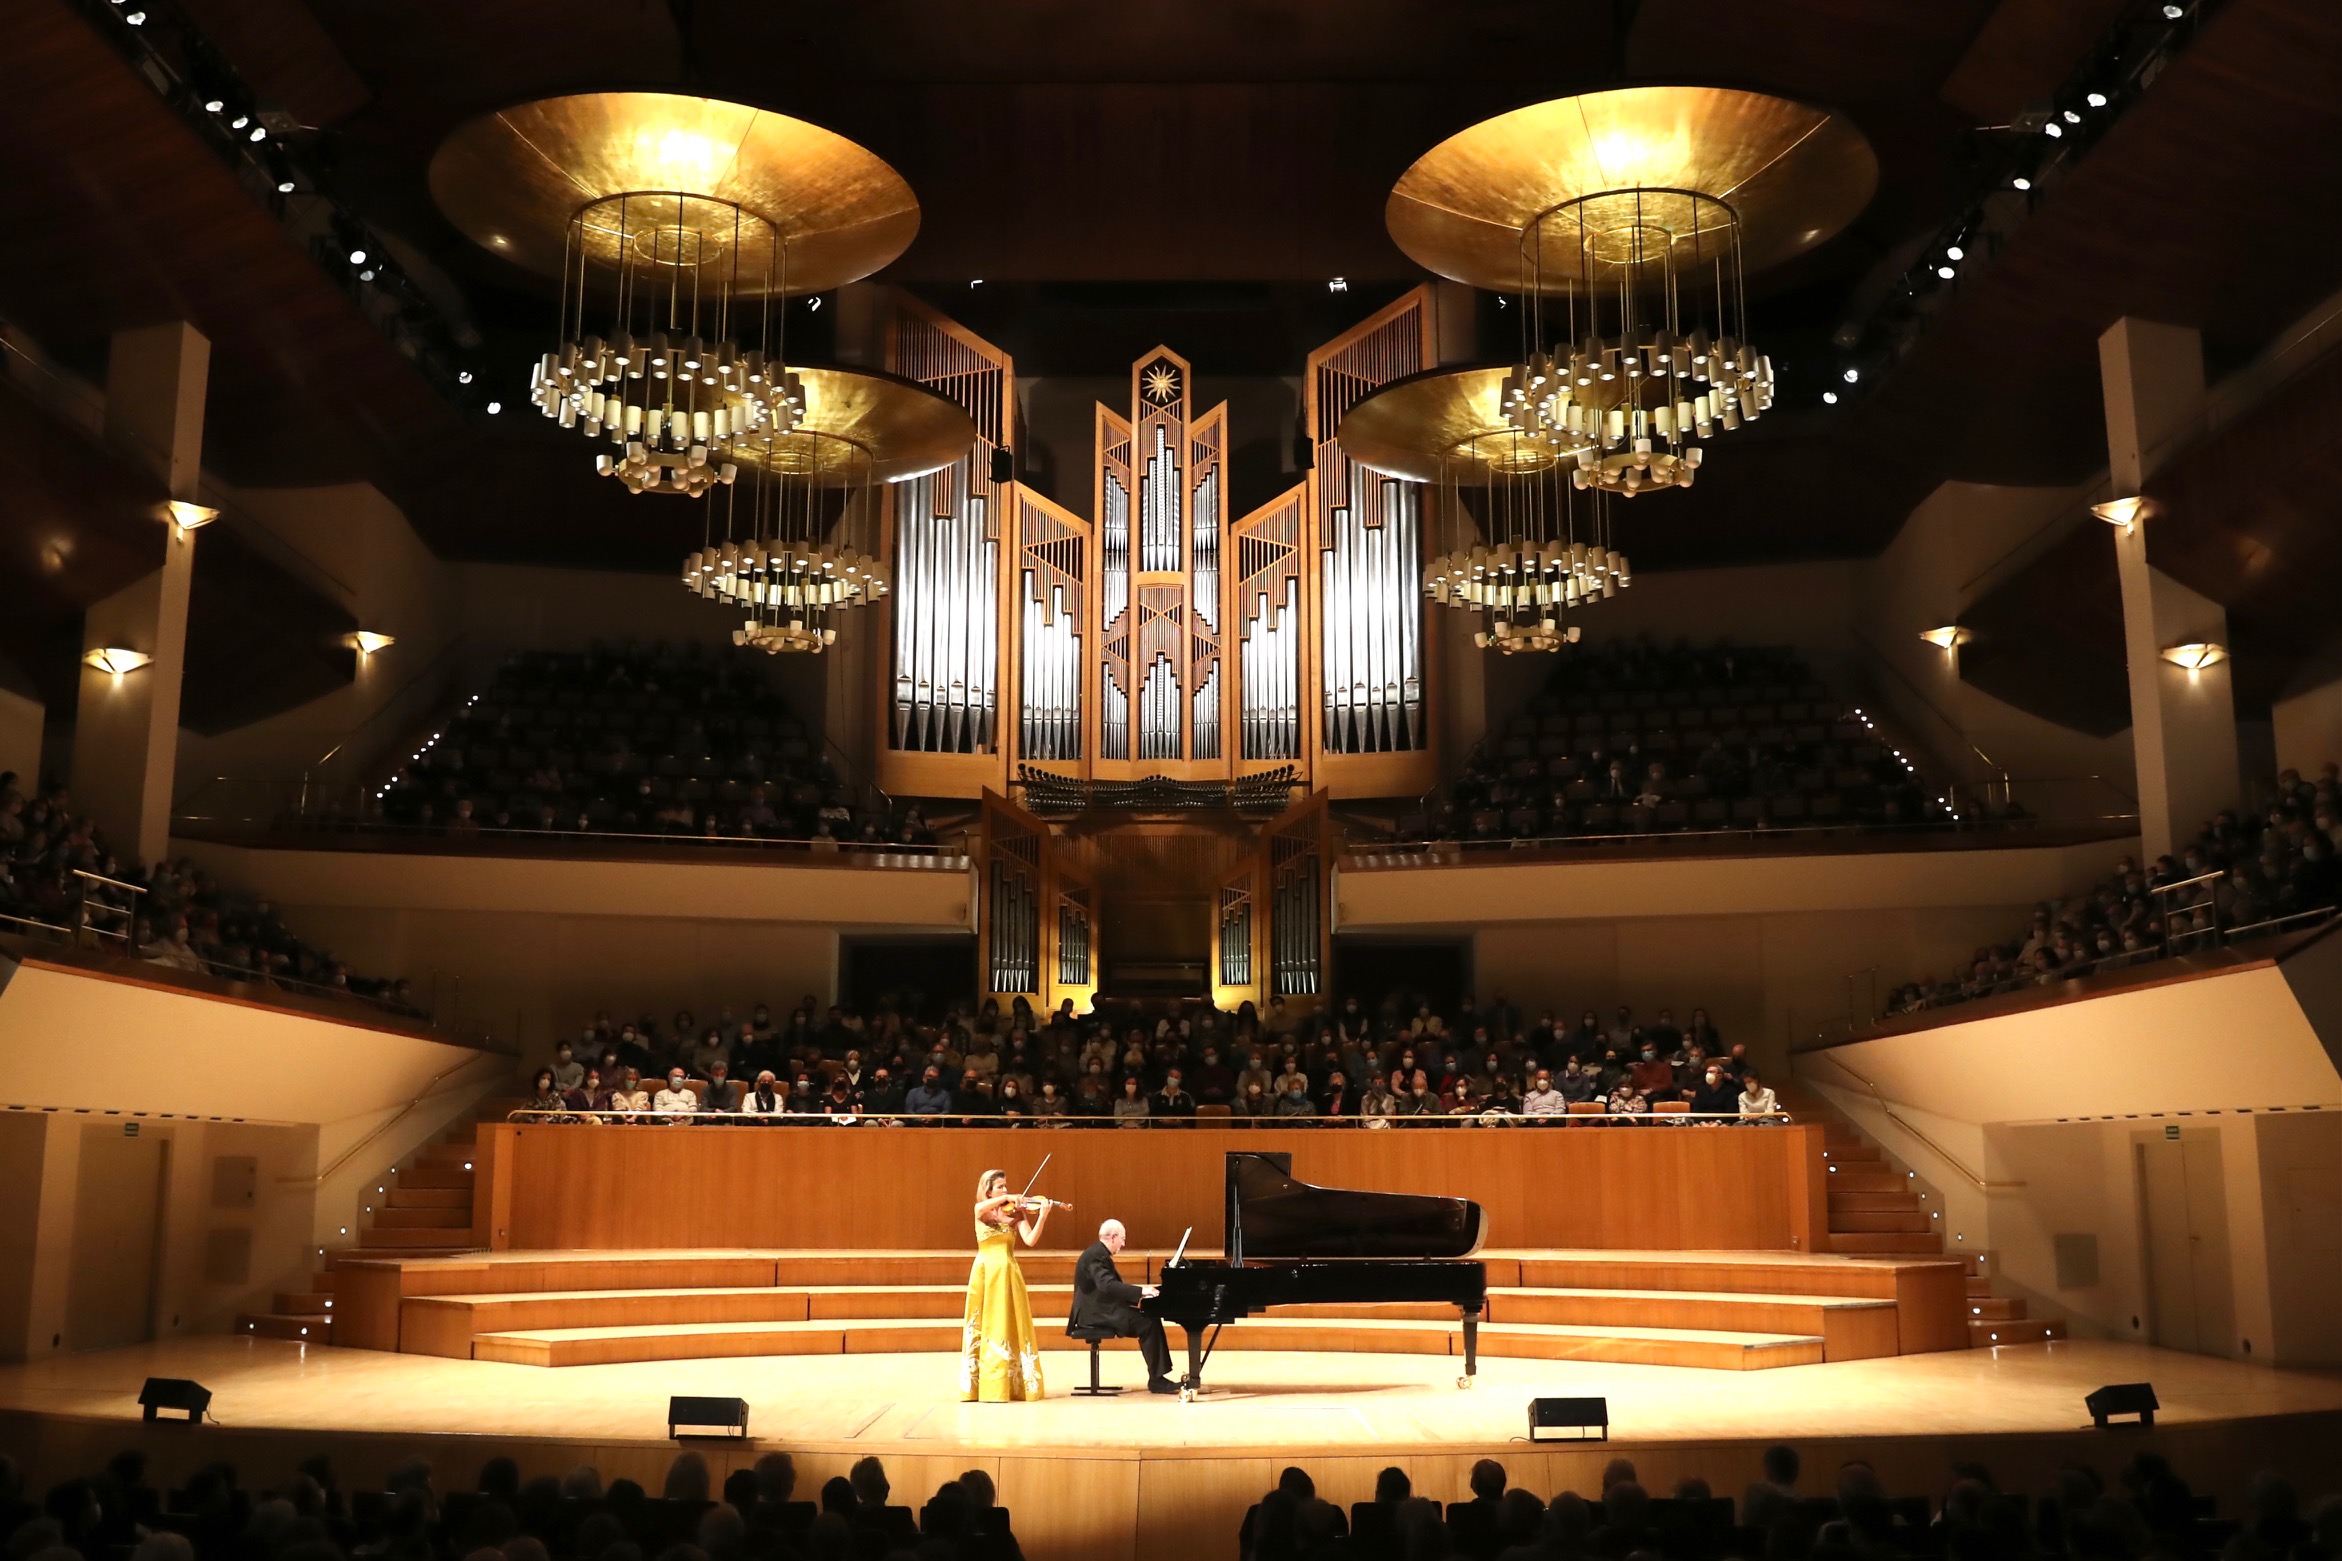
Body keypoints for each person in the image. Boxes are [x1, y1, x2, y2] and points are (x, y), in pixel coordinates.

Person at [963, 1168, 1051, 1402]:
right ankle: (983, 1386)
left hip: (1008, 1273)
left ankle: (1010, 1384)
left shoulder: (1016, 1215)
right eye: (1000, 1186)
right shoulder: (981, 1211)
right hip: (984, 1273)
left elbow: (1030, 1240)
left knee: (1009, 1323)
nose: (1006, 1189)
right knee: (984, 1325)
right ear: (988, 1189)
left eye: (1006, 1185)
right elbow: (982, 1209)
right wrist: (1008, 1198)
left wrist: (1041, 1216)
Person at [1069, 1218, 1175, 1393]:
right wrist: (1141, 1291)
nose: (1123, 1243)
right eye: (1122, 1239)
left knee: (1148, 1319)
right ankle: (1157, 1380)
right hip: (1095, 1314)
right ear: (1112, 1237)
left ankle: (1157, 1377)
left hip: (1100, 1308)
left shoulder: (1098, 1253)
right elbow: (1107, 1285)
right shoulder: (1097, 1255)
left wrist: (1139, 1293)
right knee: (1148, 1322)